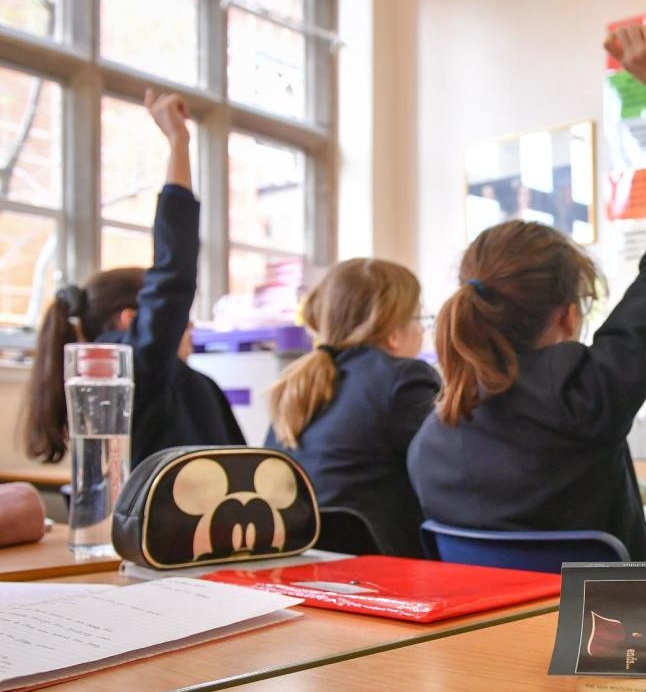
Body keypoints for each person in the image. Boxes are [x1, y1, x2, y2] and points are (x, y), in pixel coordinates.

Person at [408, 25, 646, 561]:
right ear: (567, 317)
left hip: (485, 647)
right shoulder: (588, 398)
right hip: (615, 643)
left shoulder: (430, 442)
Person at [23, 90, 244, 467]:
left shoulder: (190, 384)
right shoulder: (126, 372)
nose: (187, 324)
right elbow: (173, 274)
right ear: (129, 319)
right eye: (179, 317)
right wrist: (179, 143)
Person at [265, 259, 439, 557]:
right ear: (394, 333)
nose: (422, 331)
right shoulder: (404, 378)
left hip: (303, 563)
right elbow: (443, 477)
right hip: (383, 570)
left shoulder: (296, 385)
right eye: (420, 319)